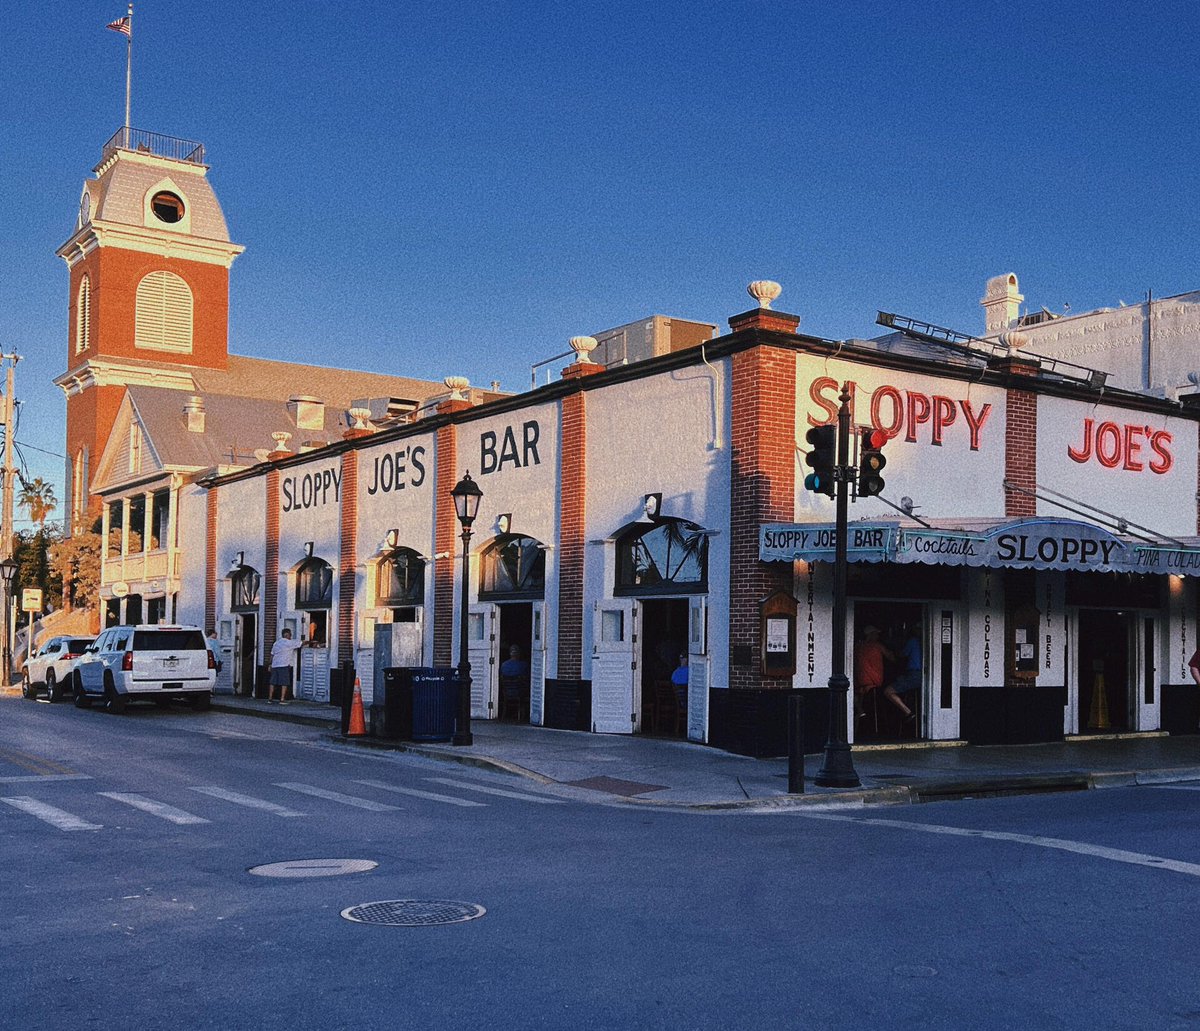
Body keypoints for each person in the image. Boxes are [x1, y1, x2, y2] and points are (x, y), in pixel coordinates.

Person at [885, 624, 921, 722]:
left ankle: (908, 712)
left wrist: (895, 652)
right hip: (924, 676)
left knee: (888, 691)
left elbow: (902, 654)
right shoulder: (925, 641)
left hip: (914, 675)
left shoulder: (913, 641)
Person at [853, 625, 892, 718]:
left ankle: (860, 710)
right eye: (876, 634)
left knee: (851, 691)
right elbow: (891, 658)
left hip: (859, 680)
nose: (877, 636)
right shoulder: (877, 645)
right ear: (870, 635)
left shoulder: (858, 646)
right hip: (875, 680)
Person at [268, 628, 303, 704]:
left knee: (272, 682)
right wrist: (312, 641)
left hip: (274, 665)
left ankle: (270, 699)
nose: (291, 636)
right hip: (283, 665)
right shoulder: (288, 643)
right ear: (287, 635)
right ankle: (282, 699)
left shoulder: (276, 643)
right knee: (284, 683)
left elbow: (272, 654)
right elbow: (301, 643)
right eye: (290, 634)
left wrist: (270, 664)